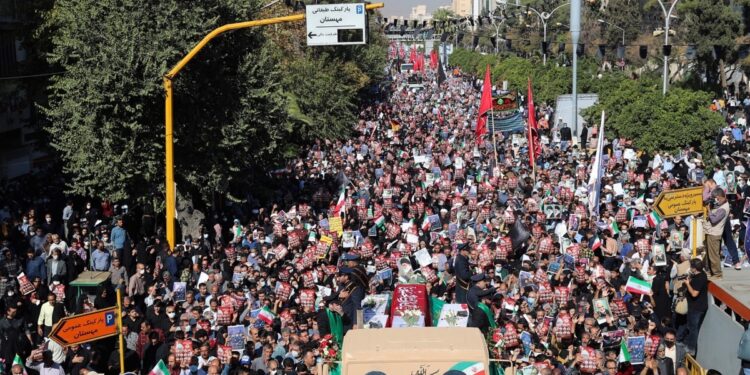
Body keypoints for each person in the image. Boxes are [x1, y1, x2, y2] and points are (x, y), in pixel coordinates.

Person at [703, 188, 730, 279]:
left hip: (714, 234)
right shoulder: (721, 204)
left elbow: (714, 220)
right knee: (709, 254)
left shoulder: (723, 208)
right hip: (711, 232)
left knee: (713, 255)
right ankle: (711, 272)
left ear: (718, 197)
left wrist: (709, 210)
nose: (714, 200)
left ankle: (717, 274)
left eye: (715, 198)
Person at [684, 258, 708, 355]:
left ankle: (691, 348)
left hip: (696, 308)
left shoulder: (699, 279)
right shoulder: (702, 274)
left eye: (691, 267)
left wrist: (687, 284)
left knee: (693, 328)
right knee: (692, 327)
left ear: (694, 268)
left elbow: (694, 294)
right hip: (698, 306)